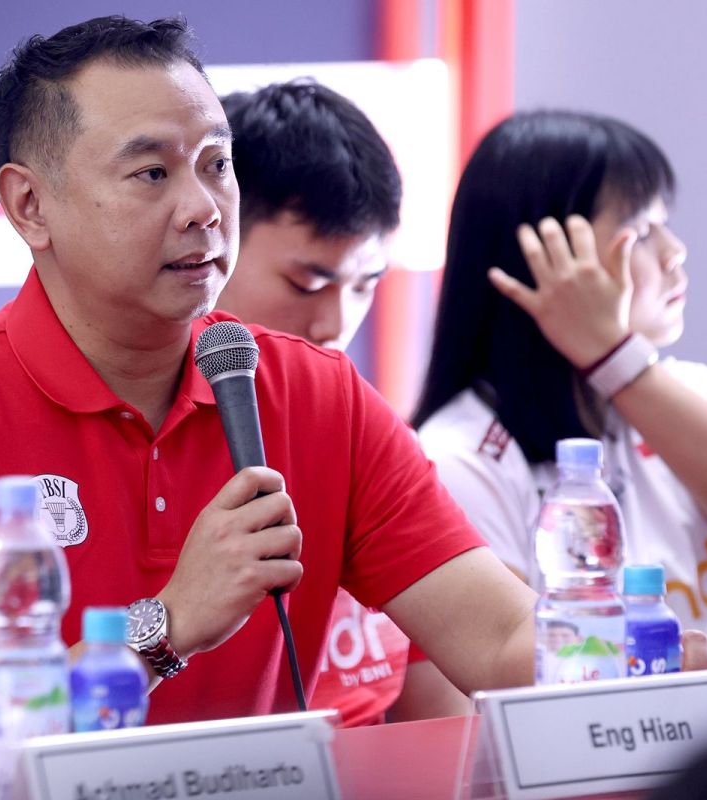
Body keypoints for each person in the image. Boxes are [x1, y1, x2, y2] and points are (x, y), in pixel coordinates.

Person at [0, 16, 546, 754]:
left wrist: (613, 635)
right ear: (30, 206)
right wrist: (162, 629)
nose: (204, 209)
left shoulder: (321, 395)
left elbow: (502, 638)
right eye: (152, 173)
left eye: (216, 164)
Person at [412, 110, 707, 669]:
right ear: (544, 257)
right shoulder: (461, 456)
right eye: (642, 230)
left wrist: (615, 358)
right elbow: (493, 676)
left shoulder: (695, 390)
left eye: (664, 224)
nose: (675, 251)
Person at [216, 79, 469, 724]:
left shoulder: (358, 425)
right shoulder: (146, 442)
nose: (336, 324)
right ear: (212, 237)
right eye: (307, 283)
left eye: (364, 286)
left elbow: (445, 707)